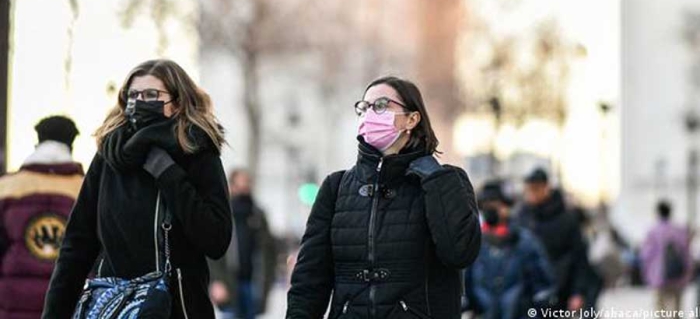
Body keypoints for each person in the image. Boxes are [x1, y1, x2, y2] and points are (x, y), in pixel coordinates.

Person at [42, 59, 233, 319]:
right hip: (114, 307)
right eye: (133, 95)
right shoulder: (109, 156)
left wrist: (167, 173)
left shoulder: (196, 152)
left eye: (151, 95)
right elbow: (77, 245)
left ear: (176, 103)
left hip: (178, 308)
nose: (140, 101)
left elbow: (216, 238)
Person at [286, 76, 481, 319]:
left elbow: (460, 253)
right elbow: (309, 280)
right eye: (364, 107)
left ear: (411, 118)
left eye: (380, 105)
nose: (369, 114)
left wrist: (434, 178)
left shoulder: (445, 181)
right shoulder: (335, 188)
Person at [0, 116, 82, 319]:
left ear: (37, 142)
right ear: (71, 145)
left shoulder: (7, 187)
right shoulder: (86, 188)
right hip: (69, 302)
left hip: (13, 302)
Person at [464, 180, 555, 319]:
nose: (491, 211)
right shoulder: (474, 243)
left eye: (496, 205)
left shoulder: (525, 242)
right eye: (486, 206)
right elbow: (466, 289)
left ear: (507, 207)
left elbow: (543, 288)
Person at [516, 168, 588, 313]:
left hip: (561, 293)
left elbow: (579, 258)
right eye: (529, 189)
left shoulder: (567, 219)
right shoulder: (522, 217)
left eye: (536, 189)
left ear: (546, 188)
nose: (532, 194)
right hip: (528, 294)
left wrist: (578, 292)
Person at [209, 170, 277, 319]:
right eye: (241, 182)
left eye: (248, 182)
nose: (245, 186)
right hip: (228, 282)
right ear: (232, 185)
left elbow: (269, 251)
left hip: (253, 283)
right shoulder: (223, 212)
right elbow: (211, 248)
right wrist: (216, 280)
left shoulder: (258, 215)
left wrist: (268, 281)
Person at [641, 200, 692, 312]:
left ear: (658, 212)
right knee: (677, 310)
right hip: (678, 276)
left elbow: (646, 255)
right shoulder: (679, 230)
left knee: (661, 310)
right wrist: (687, 272)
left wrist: (647, 273)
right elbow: (687, 253)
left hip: (659, 276)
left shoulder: (653, 231)